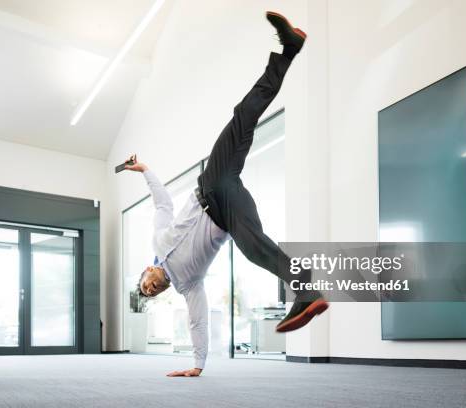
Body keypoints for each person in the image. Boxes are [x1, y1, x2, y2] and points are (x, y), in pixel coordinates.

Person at [124, 11, 328, 377]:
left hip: (214, 180)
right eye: (152, 293)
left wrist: (146, 170)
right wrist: (197, 364)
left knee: (242, 116)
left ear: (146, 270)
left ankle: (289, 51)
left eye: (146, 284)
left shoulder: (158, 235)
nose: (151, 288)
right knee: (254, 248)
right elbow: (197, 322)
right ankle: (307, 291)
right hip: (228, 211)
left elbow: (162, 202)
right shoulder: (189, 286)